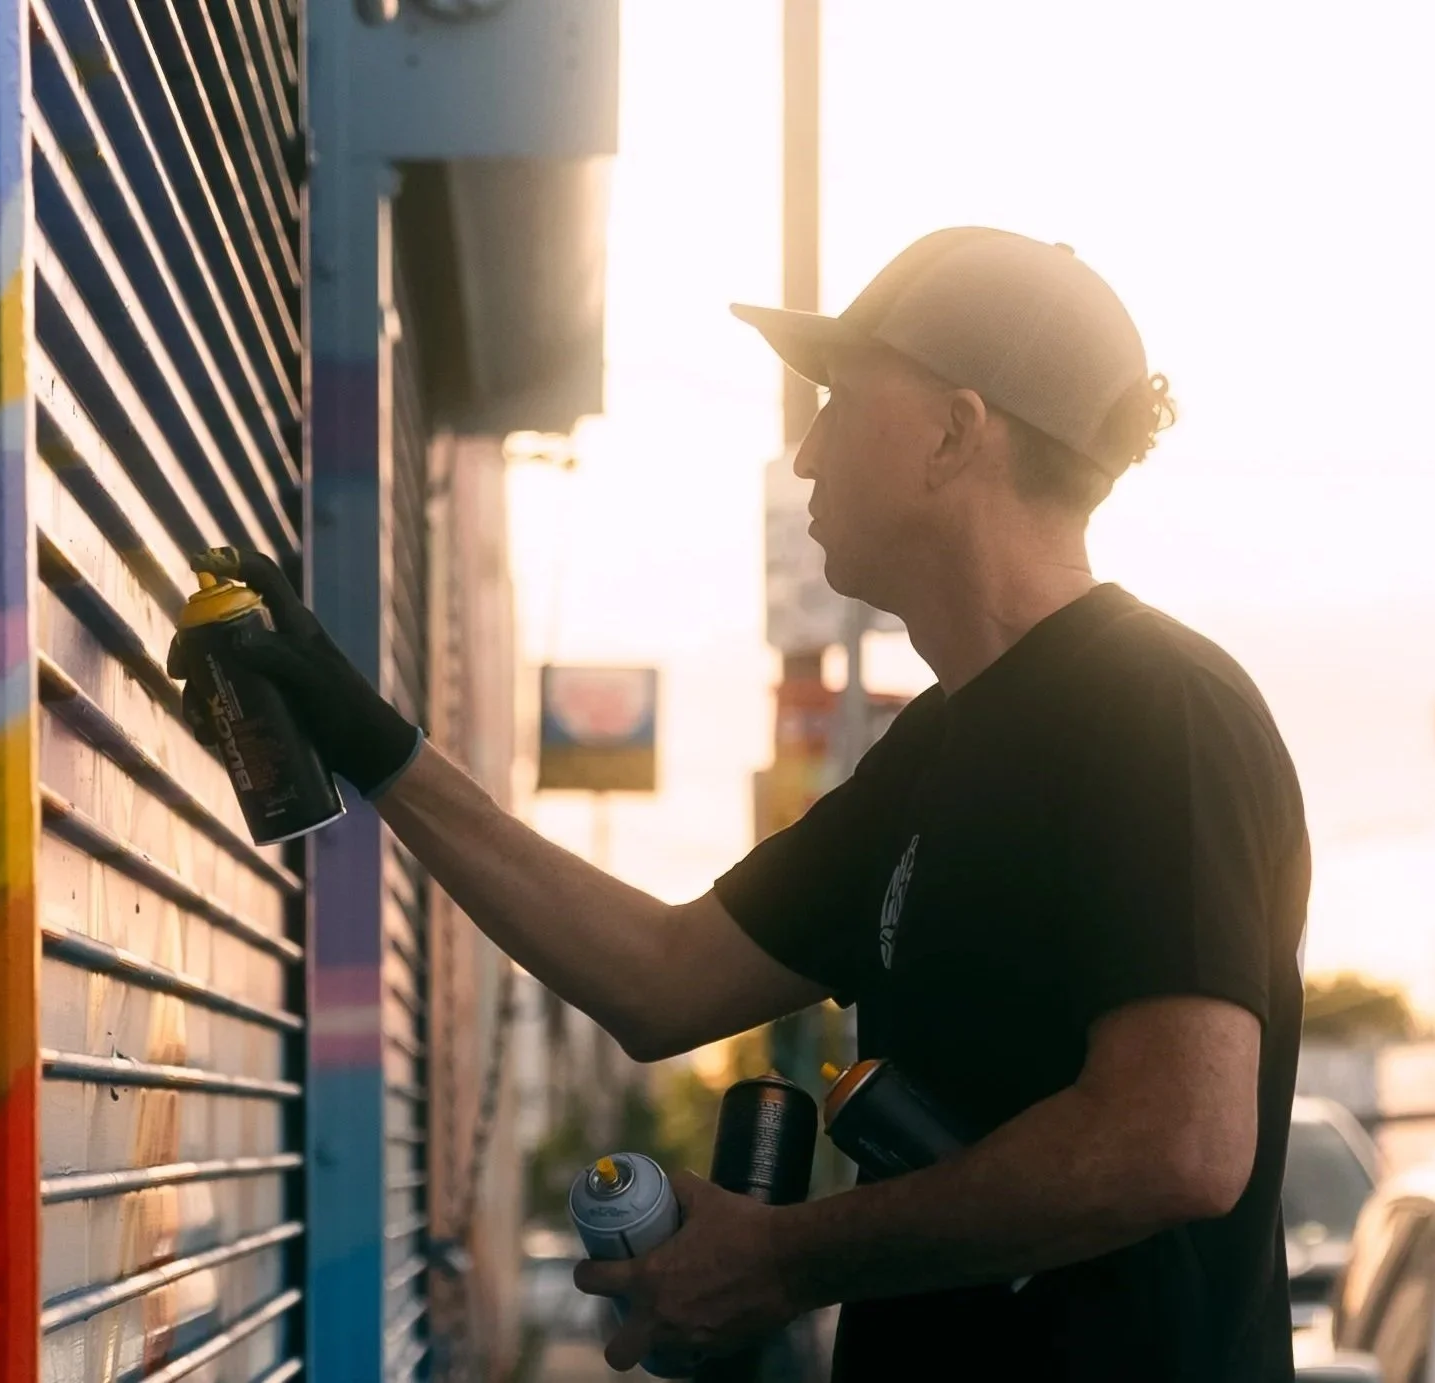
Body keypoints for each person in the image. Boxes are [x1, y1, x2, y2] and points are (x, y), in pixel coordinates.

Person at [168, 227, 1309, 1381]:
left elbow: (1176, 1142)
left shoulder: (1161, 708)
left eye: (837, 401)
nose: (807, 454)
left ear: (955, 434)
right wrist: (362, 736)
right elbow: (661, 977)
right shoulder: (937, 747)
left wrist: (785, 1256)